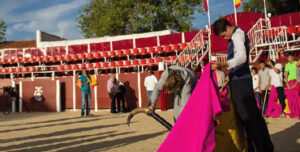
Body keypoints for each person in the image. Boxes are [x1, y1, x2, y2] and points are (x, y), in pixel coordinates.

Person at [212, 19, 274, 151]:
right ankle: (265, 146)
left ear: (229, 28)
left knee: (248, 117)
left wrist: (222, 64)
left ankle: (260, 148)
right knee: (254, 116)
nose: (224, 38)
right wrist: (229, 77)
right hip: (240, 79)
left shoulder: (236, 35)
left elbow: (241, 58)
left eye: (224, 35)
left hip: (241, 82)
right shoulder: (236, 35)